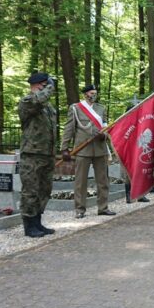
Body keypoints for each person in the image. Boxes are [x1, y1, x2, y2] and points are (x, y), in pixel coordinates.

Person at [61, 85, 116, 218]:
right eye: (91, 93)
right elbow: (69, 128)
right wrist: (64, 148)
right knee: (81, 182)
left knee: (103, 180)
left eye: (95, 93)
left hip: (100, 149)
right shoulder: (76, 108)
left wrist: (104, 135)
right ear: (85, 94)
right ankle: (80, 209)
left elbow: (105, 126)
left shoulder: (101, 108)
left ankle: (103, 207)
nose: (94, 95)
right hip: (82, 149)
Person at [18, 72, 57, 238]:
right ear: (38, 85)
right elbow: (38, 100)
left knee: (44, 189)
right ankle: (29, 225)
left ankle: (38, 222)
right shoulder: (27, 101)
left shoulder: (47, 107)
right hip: (32, 154)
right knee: (30, 190)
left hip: (47, 153)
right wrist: (49, 88)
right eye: (45, 84)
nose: (48, 88)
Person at [121, 101, 149, 204]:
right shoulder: (123, 122)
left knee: (140, 172)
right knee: (127, 173)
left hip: (138, 149)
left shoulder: (141, 122)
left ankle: (141, 195)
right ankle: (129, 195)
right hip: (127, 151)